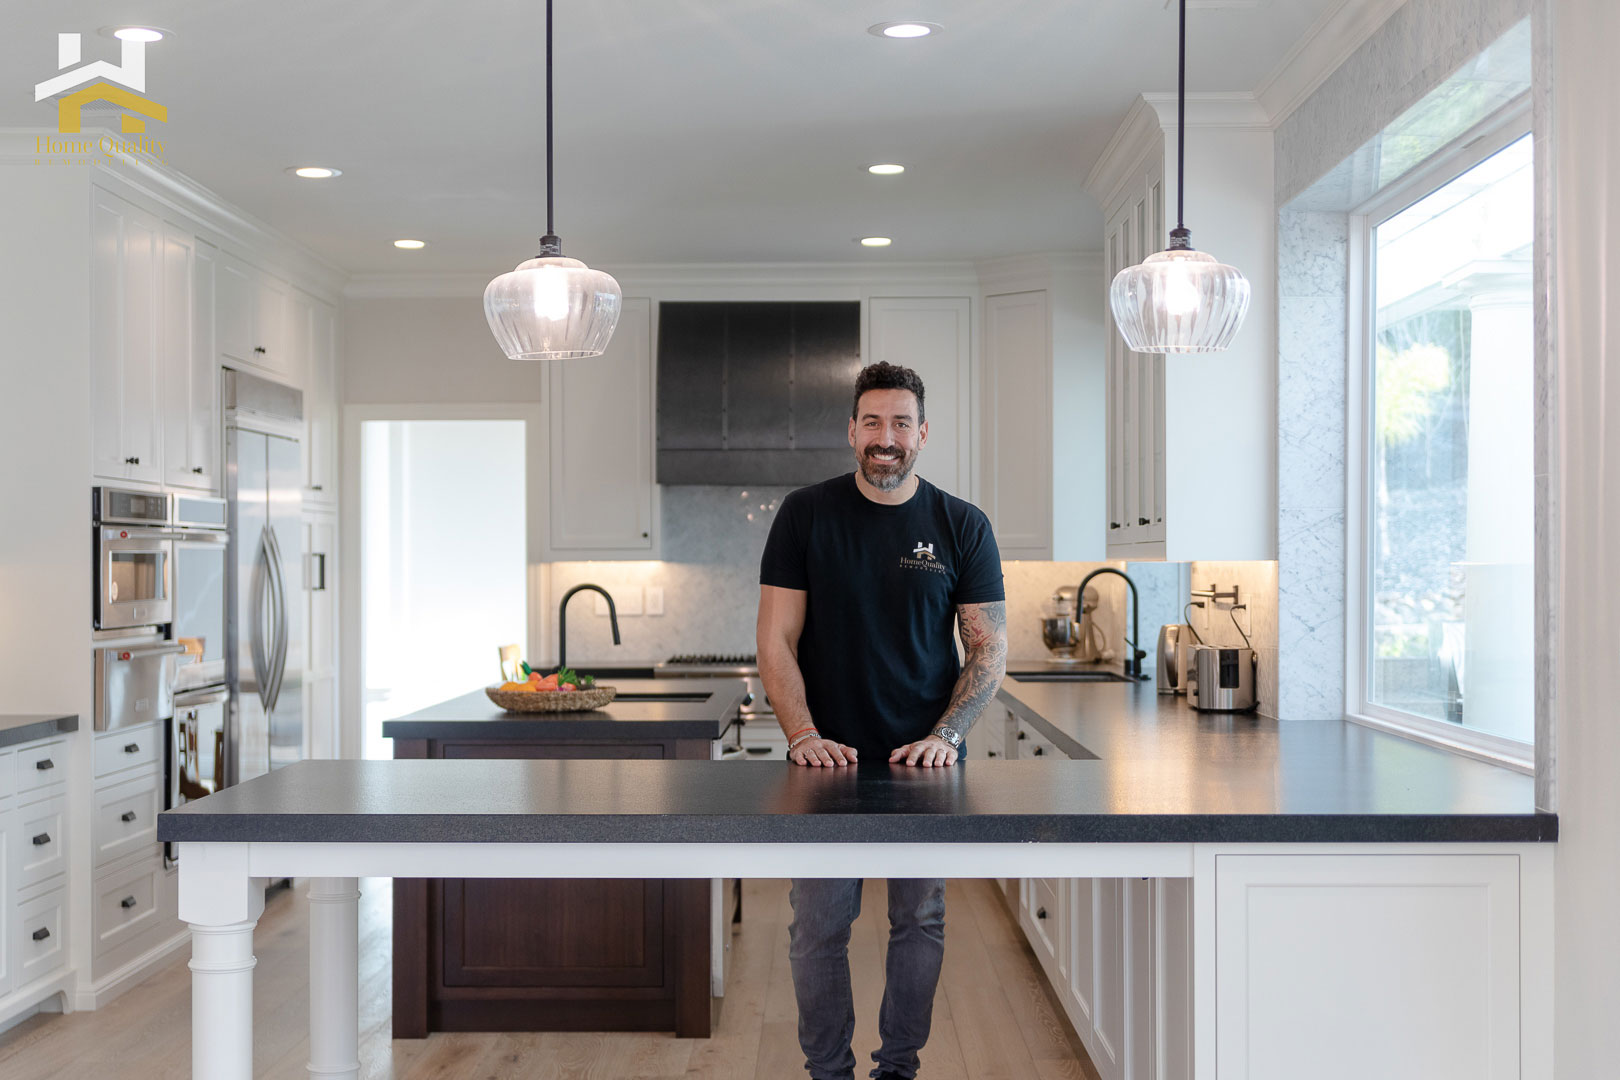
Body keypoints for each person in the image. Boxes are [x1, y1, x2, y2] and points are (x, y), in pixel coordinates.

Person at [756, 361, 1008, 1080]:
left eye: (901, 423)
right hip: (823, 765)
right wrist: (802, 735)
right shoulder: (805, 514)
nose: (886, 437)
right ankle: (827, 1073)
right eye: (872, 422)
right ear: (851, 432)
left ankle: (898, 1068)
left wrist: (947, 737)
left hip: (922, 767)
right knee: (817, 930)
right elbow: (775, 637)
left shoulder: (962, 525)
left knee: (920, 922)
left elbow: (988, 647)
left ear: (922, 433)